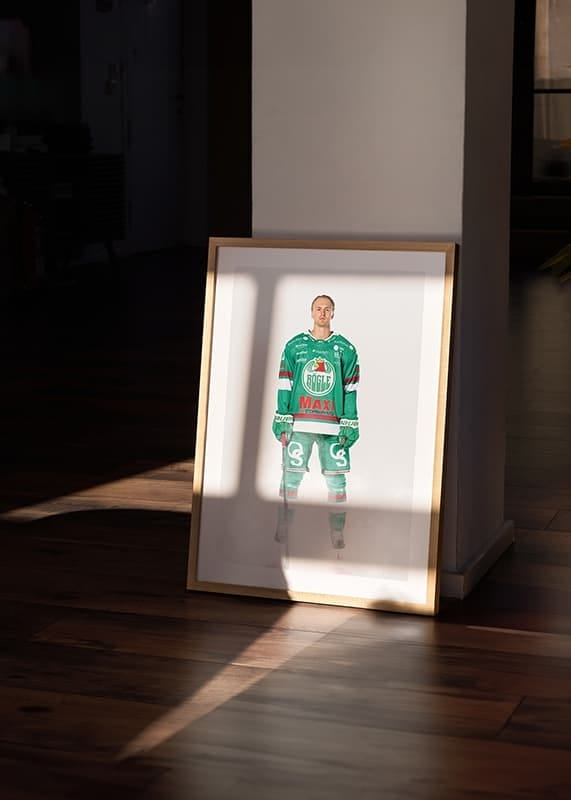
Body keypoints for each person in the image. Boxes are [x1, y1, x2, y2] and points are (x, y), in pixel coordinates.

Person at [272, 294, 360, 549]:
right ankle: (284, 525)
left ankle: (337, 530)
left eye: (327, 309)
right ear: (311, 312)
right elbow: (285, 383)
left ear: (333, 313)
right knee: (290, 476)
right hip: (300, 423)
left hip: (333, 426)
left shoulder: (346, 349)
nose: (322, 312)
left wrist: (350, 421)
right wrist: (282, 416)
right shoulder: (295, 346)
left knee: (337, 480)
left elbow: (351, 389)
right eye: (318, 308)